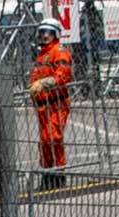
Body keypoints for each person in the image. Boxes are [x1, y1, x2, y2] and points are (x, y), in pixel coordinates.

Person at [28, 19, 73, 191]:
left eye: (49, 32)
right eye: (42, 32)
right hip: (42, 105)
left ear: (56, 34)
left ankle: (58, 174)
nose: (45, 35)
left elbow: (63, 76)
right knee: (45, 141)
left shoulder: (58, 52)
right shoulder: (42, 55)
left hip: (56, 103)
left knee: (54, 138)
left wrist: (45, 83)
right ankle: (48, 174)